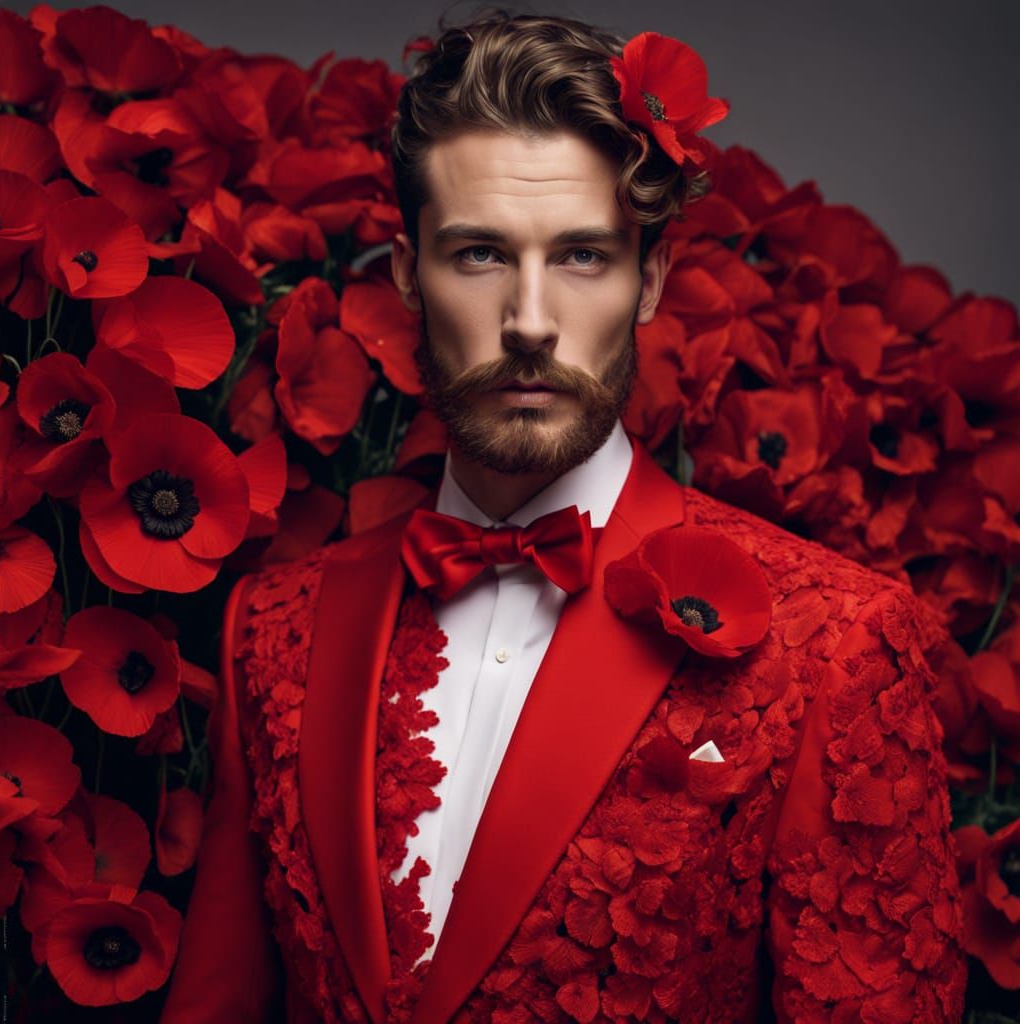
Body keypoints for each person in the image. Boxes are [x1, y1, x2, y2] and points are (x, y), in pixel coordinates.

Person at [162, 11, 966, 1023]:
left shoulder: (836, 643)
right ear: (408, 274)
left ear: (652, 279)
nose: (531, 319)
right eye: (480, 255)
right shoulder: (271, 629)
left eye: (582, 256)